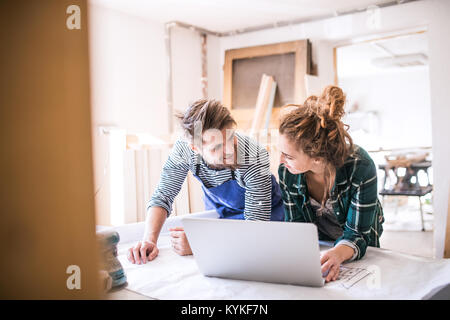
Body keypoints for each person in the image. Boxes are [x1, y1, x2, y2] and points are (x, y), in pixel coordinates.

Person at [128, 99, 284, 264]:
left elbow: (255, 230)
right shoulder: (184, 150)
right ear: (195, 149)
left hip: (266, 215)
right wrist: (149, 240)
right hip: (221, 213)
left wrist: (201, 243)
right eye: (217, 147)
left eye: (231, 139)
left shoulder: (255, 156)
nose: (229, 151)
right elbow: (163, 195)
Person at [278, 85, 384, 283]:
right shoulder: (288, 172)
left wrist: (337, 254)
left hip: (358, 242)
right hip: (320, 244)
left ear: (317, 158)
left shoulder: (361, 167)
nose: (281, 161)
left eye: (288, 156)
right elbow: (296, 228)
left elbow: (359, 234)